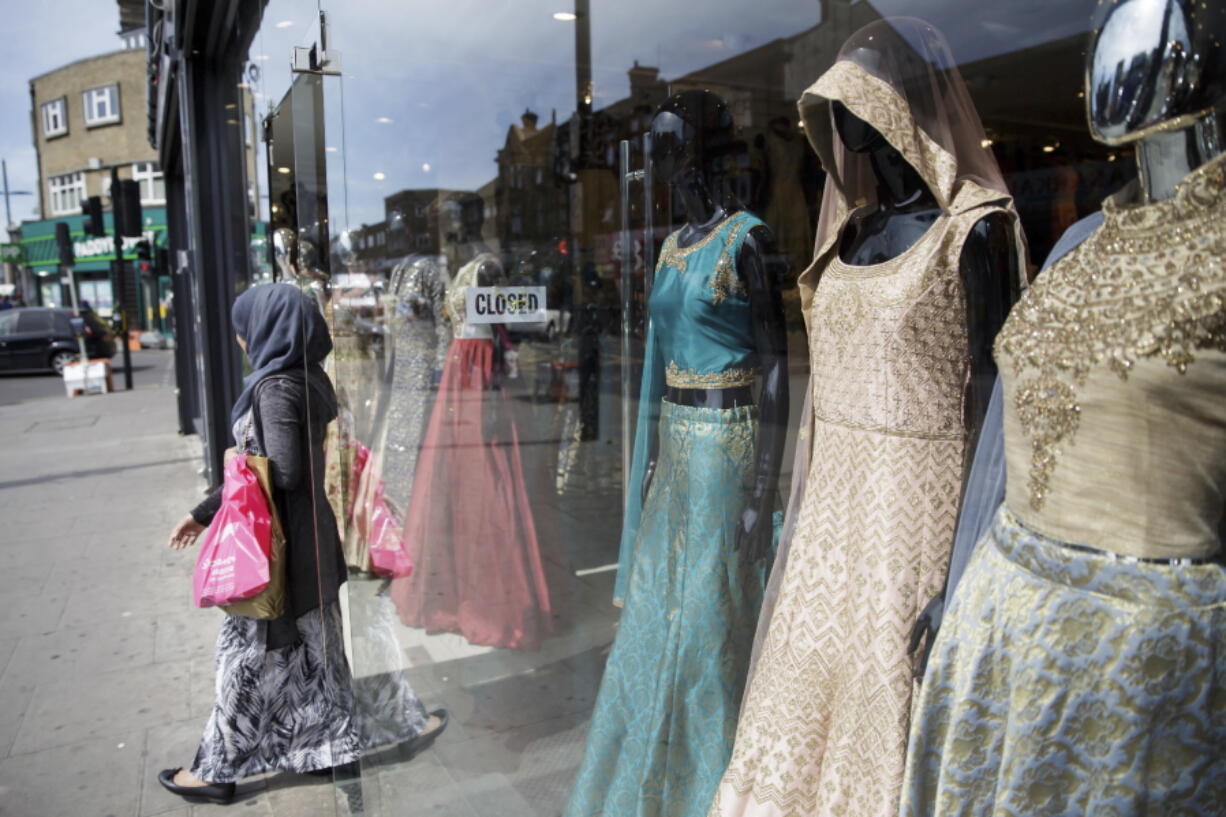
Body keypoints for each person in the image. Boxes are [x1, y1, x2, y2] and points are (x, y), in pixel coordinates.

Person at [158, 283, 446, 805]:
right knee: (317, 659)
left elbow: (282, 471)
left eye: (245, 330)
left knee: (247, 662)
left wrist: (213, 499)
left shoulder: (276, 388)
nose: (243, 341)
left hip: (279, 555)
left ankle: (218, 772)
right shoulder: (310, 378)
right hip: (309, 545)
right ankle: (328, 751)